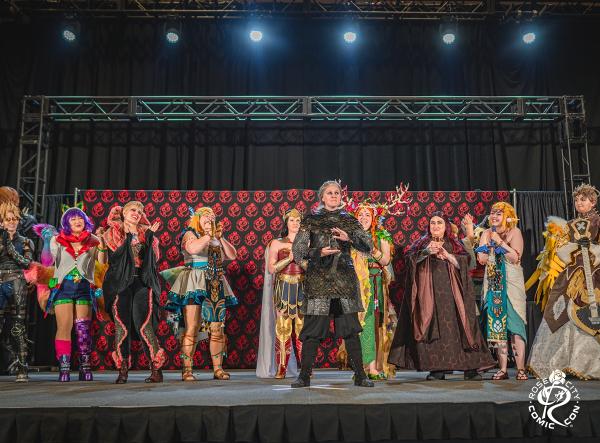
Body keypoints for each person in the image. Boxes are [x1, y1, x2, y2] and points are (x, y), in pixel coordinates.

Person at [389, 212, 495, 380]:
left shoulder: (454, 243)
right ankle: (438, 369)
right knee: (435, 329)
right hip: (430, 296)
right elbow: (408, 260)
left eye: (439, 223)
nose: (436, 226)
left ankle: (470, 368)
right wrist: (426, 252)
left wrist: (448, 256)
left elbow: (468, 262)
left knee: (462, 327)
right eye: (433, 223)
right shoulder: (422, 243)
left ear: (446, 226)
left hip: (454, 295)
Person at [291, 180, 374, 388]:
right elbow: (298, 251)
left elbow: (368, 246)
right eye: (330, 193)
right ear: (322, 196)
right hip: (319, 281)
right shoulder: (311, 219)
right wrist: (318, 252)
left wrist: (349, 238)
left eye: (337, 192)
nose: (334, 196)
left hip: (344, 282)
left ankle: (360, 375)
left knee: (351, 330)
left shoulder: (349, 220)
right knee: (312, 331)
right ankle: (304, 376)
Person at [527, 184, 600, 379]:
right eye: (576, 200)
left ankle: (588, 363)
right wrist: (572, 247)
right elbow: (561, 250)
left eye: (583, 199)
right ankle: (564, 362)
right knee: (561, 311)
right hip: (572, 273)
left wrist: (592, 248)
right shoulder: (571, 224)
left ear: (593, 202)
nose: (579, 202)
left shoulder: (598, 221)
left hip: (594, 272)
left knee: (588, 311)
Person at [161, 206, 237, 381]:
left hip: (215, 282)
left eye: (213, 216)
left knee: (217, 328)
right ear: (197, 218)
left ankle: (218, 369)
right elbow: (193, 249)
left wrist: (220, 238)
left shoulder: (215, 238)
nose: (210, 218)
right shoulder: (190, 233)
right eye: (206, 215)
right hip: (194, 282)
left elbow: (232, 255)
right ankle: (187, 370)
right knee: (192, 327)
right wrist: (208, 235)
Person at [33, 207, 105, 381]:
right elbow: (48, 261)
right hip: (63, 287)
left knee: (83, 329)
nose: (77, 221)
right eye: (72, 219)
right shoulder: (57, 240)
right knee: (64, 327)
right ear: (67, 223)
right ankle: (64, 368)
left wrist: (102, 246)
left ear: (85, 221)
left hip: (84, 288)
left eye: (80, 218)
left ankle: (85, 367)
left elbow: (102, 264)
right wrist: (47, 241)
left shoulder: (93, 240)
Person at [102, 201, 166, 383]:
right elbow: (116, 257)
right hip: (120, 283)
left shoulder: (147, 233)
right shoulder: (112, 232)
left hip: (141, 282)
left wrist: (150, 237)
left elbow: (153, 260)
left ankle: (156, 368)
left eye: (140, 211)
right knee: (121, 326)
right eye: (133, 210)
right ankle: (122, 369)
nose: (137, 213)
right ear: (123, 212)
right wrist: (129, 237)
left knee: (144, 324)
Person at [477, 202, 528, 380]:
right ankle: (503, 369)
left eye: (499, 213)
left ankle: (521, 369)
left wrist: (500, 242)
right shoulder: (486, 233)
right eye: (492, 213)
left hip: (512, 283)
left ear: (508, 216)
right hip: (494, 281)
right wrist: (488, 243)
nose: (494, 216)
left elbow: (515, 258)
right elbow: (482, 259)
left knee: (515, 326)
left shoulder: (515, 232)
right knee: (497, 326)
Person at [256, 208, 305, 379]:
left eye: (298, 220)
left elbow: (313, 267)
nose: (295, 223)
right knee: (283, 328)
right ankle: (281, 366)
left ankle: (305, 367)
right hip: (283, 287)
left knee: (302, 329)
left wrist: (301, 260)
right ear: (286, 223)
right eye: (292, 220)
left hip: (302, 287)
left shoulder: (307, 243)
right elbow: (272, 268)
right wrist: (289, 259)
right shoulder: (276, 243)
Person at [351, 202, 396, 380]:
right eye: (360, 215)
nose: (363, 218)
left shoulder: (381, 236)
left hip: (374, 284)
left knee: (373, 323)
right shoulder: (350, 237)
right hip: (356, 285)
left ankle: (373, 366)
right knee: (359, 325)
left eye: (367, 215)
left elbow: (385, 261)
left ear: (373, 218)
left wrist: (371, 247)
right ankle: (362, 367)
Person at [0, 201, 33, 382]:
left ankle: (22, 368)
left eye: (15, 219)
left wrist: (10, 247)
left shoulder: (25, 241)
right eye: (8, 219)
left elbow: (27, 263)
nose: (12, 222)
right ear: (2, 222)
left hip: (16, 282)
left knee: (18, 326)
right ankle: (11, 359)